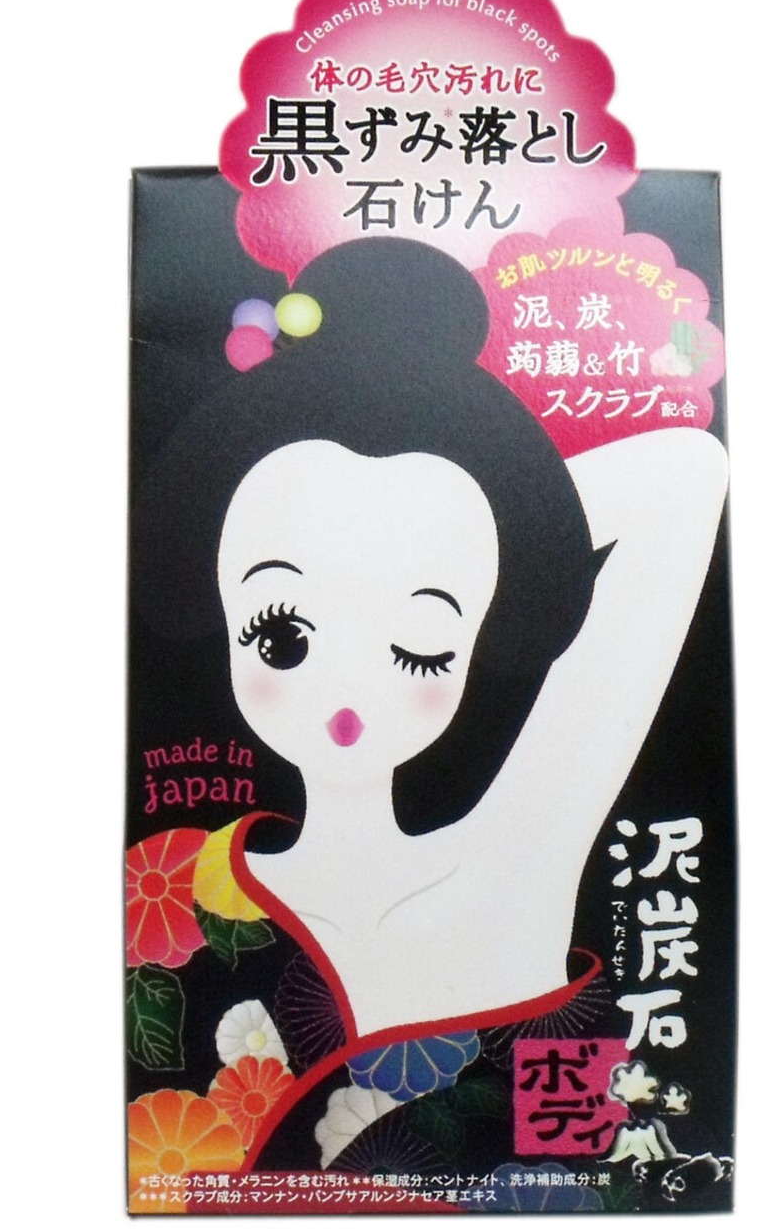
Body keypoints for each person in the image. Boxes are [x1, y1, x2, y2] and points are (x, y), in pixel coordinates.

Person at [134, 238, 728, 1039]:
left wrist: (496, 526)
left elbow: (684, 476)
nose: (348, 696)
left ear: (477, 640)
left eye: (421, 648)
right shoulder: (173, 898)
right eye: (281, 636)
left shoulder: (518, 853)